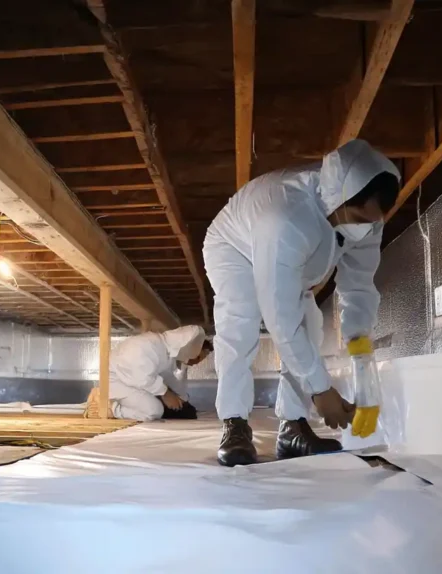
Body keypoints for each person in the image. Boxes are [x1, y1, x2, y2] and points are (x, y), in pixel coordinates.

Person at [203, 139, 400, 466]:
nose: (362, 228)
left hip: (296, 254)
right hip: (234, 246)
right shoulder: (286, 217)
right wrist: (320, 389)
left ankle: (293, 428)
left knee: (311, 325)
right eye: (358, 217)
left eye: (371, 221)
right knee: (241, 325)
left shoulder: (368, 220)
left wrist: (359, 340)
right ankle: (235, 425)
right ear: (339, 197)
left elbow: (359, 284)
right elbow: (280, 317)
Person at [108, 325, 213, 421]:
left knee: (182, 410)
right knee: (154, 411)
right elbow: (141, 377)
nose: (196, 362)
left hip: (133, 383)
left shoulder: (167, 354)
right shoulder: (150, 345)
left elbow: (169, 379)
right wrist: (166, 393)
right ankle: (111, 409)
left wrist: (182, 398)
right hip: (117, 382)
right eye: (198, 357)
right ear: (187, 345)